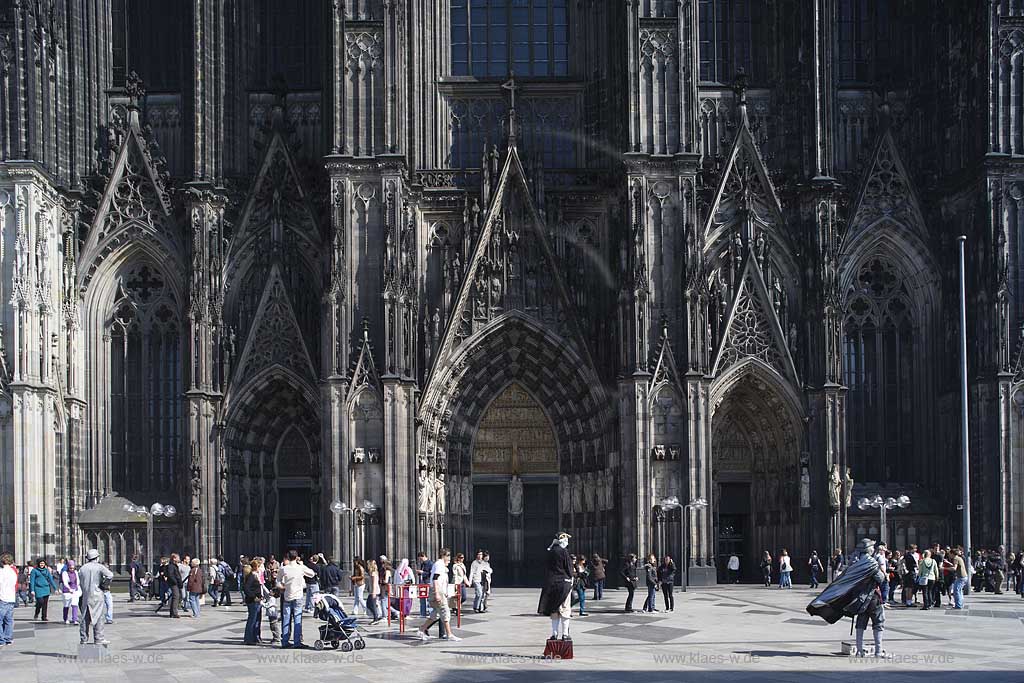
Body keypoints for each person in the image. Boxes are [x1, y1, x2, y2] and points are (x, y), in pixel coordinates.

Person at [850, 539, 887, 658]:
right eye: (872, 547)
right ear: (868, 549)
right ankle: (878, 650)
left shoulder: (855, 563)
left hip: (860, 598)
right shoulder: (870, 562)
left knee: (861, 622)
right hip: (873, 597)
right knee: (878, 622)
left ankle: (859, 650)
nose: (873, 549)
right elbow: (881, 578)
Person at [416, 548, 461, 642]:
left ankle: (421, 629)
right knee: (445, 611)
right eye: (448, 558)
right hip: (437, 591)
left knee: (435, 614)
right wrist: (437, 593)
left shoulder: (440, 565)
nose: (449, 561)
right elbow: (435, 579)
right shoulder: (439, 565)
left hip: (439, 590)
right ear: (444, 556)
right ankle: (449, 634)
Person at [538, 533, 574, 642]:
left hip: (551, 583)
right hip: (563, 583)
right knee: (565, 608)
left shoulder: (550, 552)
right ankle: (565, 634)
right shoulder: (564, 552)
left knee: (554, 609)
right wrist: (571, 578)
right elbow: (569, 568)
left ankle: (554, 634)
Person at [277, 550, 315, 648]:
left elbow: (278, 581)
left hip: (287, 595)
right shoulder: (300, 567)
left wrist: (282, 587)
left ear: (288, 557)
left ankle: (285, 641)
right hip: (298, 596)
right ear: (297, 557)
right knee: (297, 618)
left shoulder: (283, 569)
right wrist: (300, 564)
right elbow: (312, 574)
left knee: (286, 618)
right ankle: (297, 642)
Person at [78, 548, 114, 646]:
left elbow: (80, 582)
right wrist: (104, 585)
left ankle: (83, 639)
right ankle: (99, 638)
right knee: (99, 617)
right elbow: (110, 575)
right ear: (97, 557)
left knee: (85, 618)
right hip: (97, 595)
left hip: (86, 595)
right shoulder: (99, 567)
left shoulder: (82, 568)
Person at [242, 561, 263, 645]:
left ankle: (255, 637)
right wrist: (254, 597)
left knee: (257, 620)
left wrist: (260, 596)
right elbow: (246, 588)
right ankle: (248, 638)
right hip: (253, 602)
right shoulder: (251, 576)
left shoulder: (254, 576)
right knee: (252, 620)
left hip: (256, 601)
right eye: (259, 566)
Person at [0, 554, 16, 646]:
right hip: (11, 597)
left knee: (0, 619)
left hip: (3, 597)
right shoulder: (12, 572)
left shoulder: (1, 572)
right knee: (8, 620)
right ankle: (8, 638)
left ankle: (1, 640)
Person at [160, 554, 183, 618]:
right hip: (174, 583)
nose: (179, 559)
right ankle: (174, 613)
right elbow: (171, 575)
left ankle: (172, 612)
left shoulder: (174, 565)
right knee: (176, 597)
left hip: (175, 583)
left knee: (176, 597)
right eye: (178, 558)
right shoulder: (171, 566)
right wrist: (175, 582)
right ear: (174, 558)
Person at [61, 559, 82, 624]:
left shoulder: (76, 572)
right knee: (66, 605)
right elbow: (65, 582)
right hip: (67, 591)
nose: (72, 569)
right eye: (70, 568)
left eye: (73, 568)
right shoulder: (65, 573)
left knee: (74, 604)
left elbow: (78, 581)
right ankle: (65, 618)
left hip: (75, 590)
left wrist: (76, 587)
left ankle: (74, 619)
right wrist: (69, 588)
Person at [416, 551, 432, 617]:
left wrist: (422, 572)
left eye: (420, 558)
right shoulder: (423, 564)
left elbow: (431, 574)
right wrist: (419, 573)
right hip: (422, 582)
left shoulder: (430, 563)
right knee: (422, 597)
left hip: (427, 582)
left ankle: (430, 612)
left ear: (423, 556)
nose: (420, 560)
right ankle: (423, 613)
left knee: (428, 598)